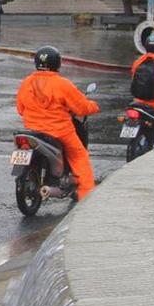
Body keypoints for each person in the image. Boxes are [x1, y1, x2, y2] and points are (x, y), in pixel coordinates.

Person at [16, 46, 100, 201]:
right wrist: (93, 106)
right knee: (79, 156)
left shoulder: (27, 82)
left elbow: (20, 109)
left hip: (32, 130)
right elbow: (81, 108)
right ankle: (87, 197)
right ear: (57, 63)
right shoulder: (62, 84)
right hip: (59, 132)